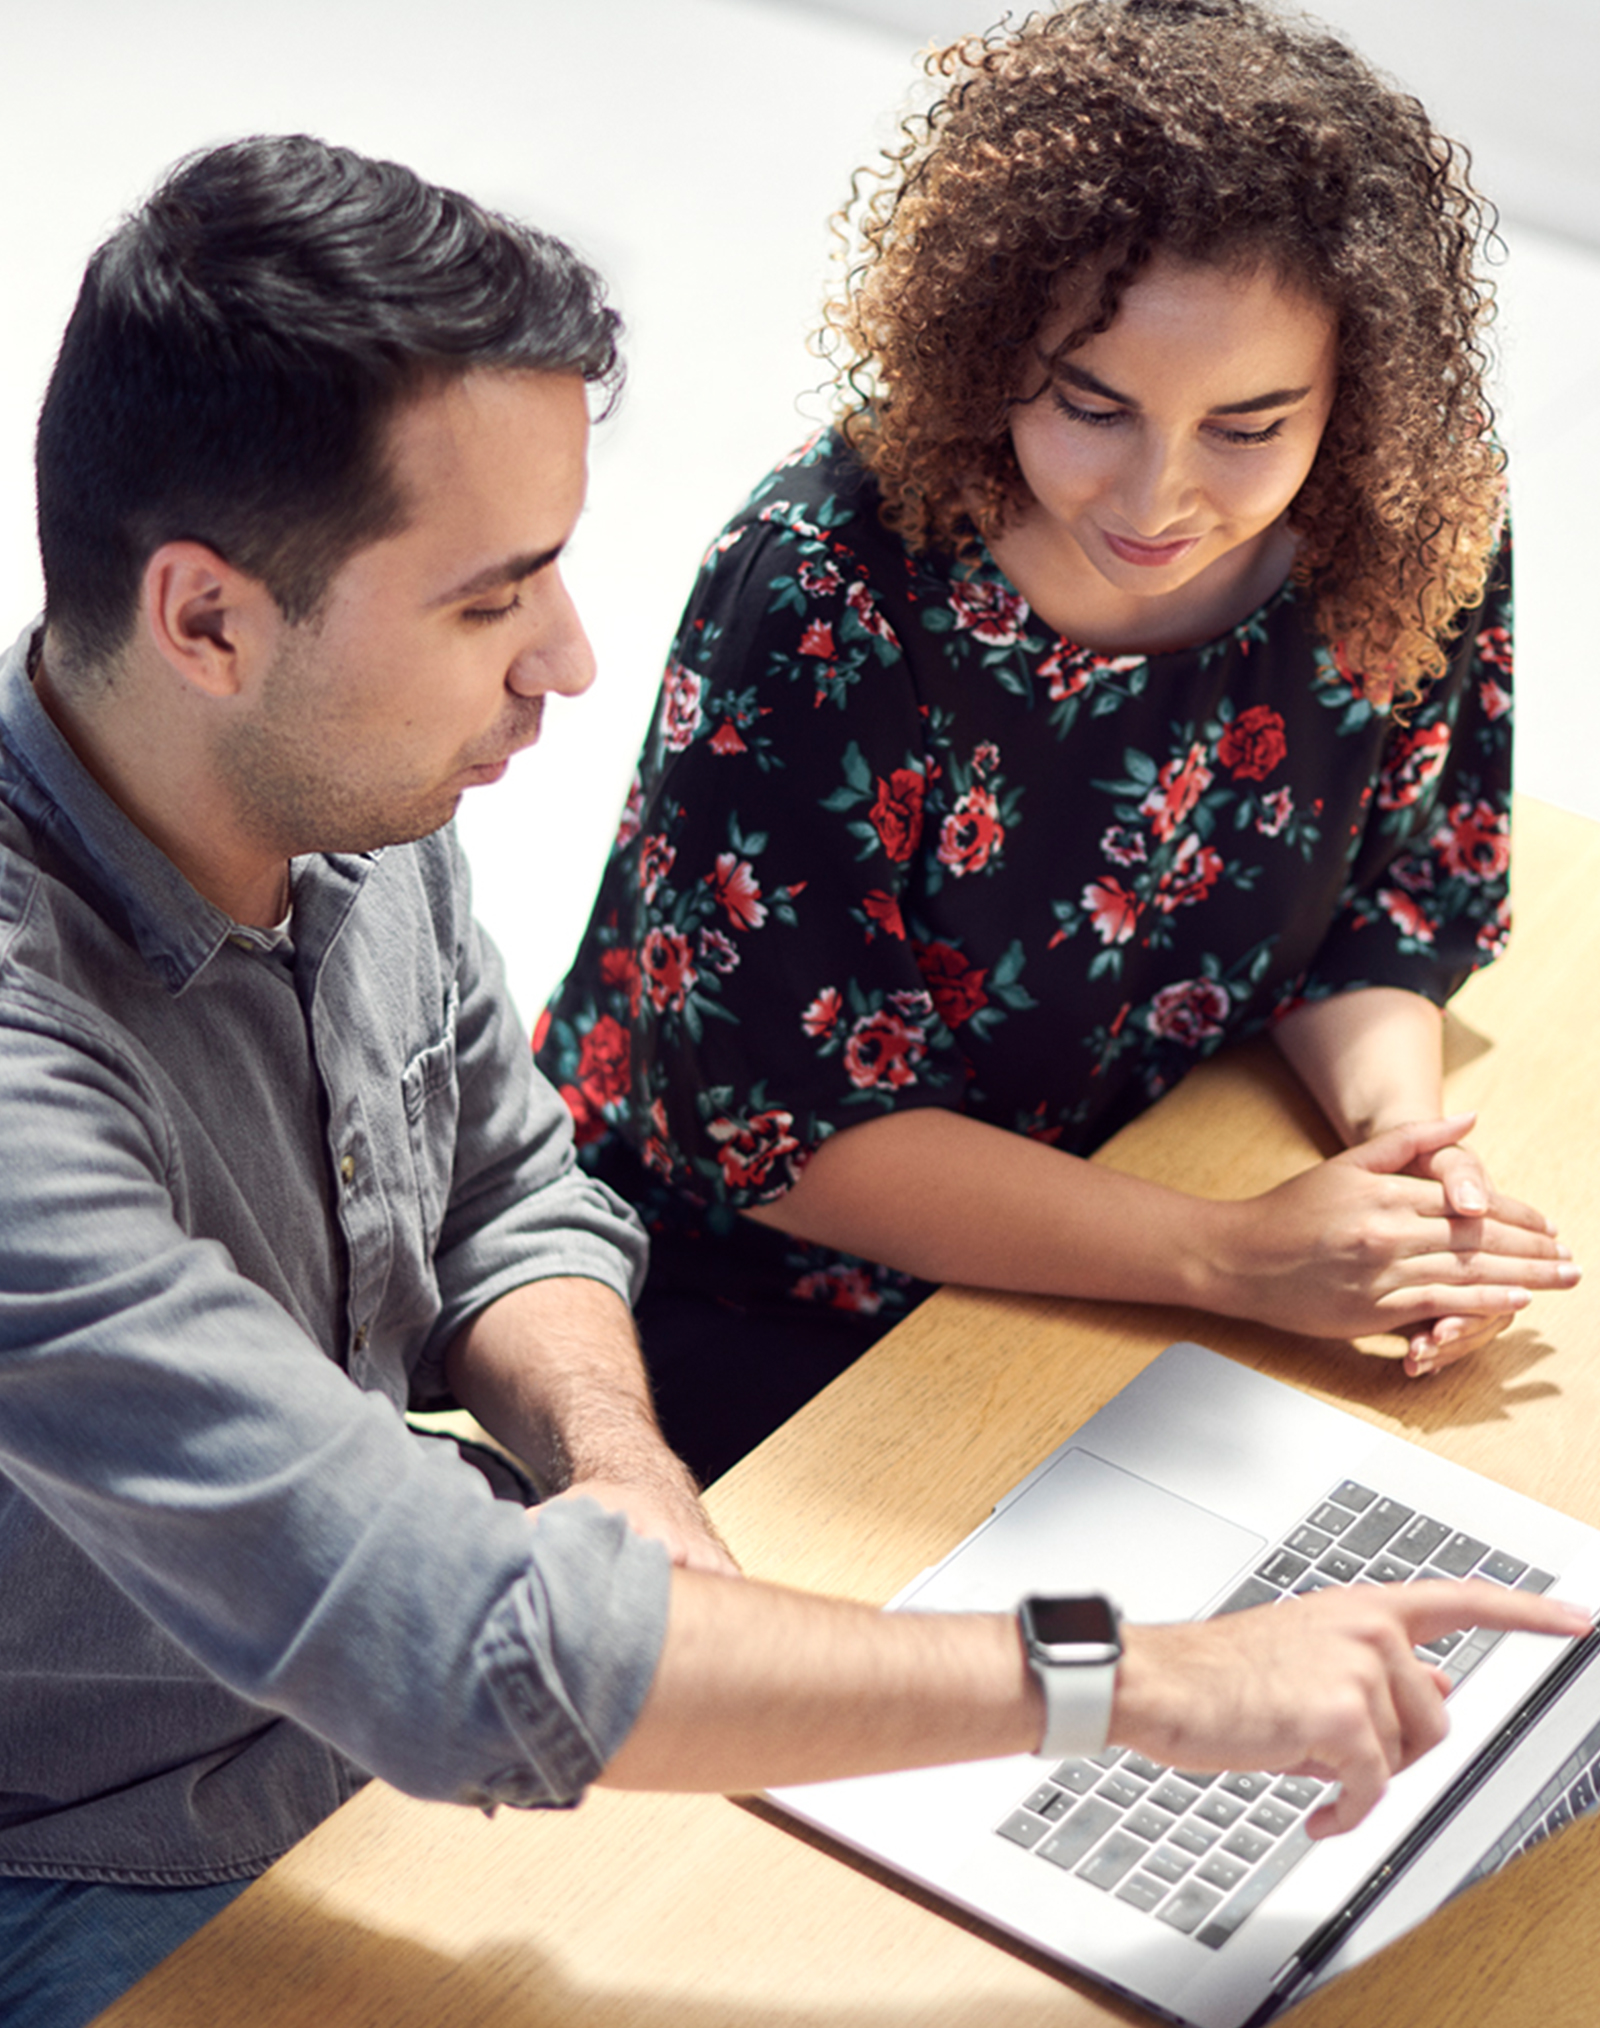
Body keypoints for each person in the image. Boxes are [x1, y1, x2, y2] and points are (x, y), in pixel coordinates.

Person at [0, 132, 1583, 2028]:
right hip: (108, 1845)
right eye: (492, 599)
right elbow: (451, 1642)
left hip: (438, 1702)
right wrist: (1139, 1678)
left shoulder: (330, 788)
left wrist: (613, 1461)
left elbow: (511, 1191)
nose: (566, 666)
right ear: (206, 620)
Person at [538, 0, 1581, 1489]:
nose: (1159, 495)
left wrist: (1403, 1160)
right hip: (747, 1308)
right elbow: (784, 1139)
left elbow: (1383, 912)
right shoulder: (825, 591)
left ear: (1352, 397)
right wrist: (1233, 1258)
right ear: (987, 344)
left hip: (1152, 1205)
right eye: (1092, 405)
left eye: (1251, 426)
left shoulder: (1408, 534)